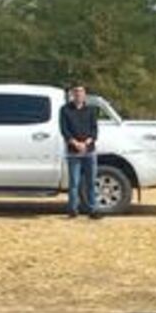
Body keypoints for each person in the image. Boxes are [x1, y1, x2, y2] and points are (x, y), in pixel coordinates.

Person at [59, 84, 99, 218]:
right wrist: (75, 143)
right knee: (74, 183)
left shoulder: (91, 110)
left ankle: (93, 210)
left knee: (91, 182)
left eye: (81, 92)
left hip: (89, 151)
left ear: (84, 94)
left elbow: (94, 131)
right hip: (73, 151)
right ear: (72, 94)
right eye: (76, 92)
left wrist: (86, 143)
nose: (78, 95)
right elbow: (64, 130)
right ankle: (72, 210)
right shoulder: (65, 110)